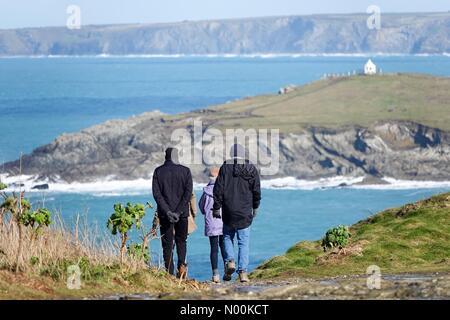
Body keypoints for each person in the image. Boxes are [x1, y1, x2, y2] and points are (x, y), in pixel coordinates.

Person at [213, 144, 261, 282]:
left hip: (228, 210)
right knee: (243, 242)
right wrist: (255, 206)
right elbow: (256, 190)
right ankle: (243, 273)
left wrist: (217, 207)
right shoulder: (251, 168)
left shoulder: (224, 168)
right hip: (245, 211)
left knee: (227, 237)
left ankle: (230, 262)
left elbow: (218, 189)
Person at [152, 147, 193, 278]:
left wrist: (168, 211)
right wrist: (179, 211)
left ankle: (169, 273)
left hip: (165, 215)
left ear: (166, 156)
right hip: (182, 214)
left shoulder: (158, 171)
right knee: (182, 241)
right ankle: (182, 268)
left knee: (167, 244)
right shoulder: (185, 171)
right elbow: (187, 194)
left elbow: (157, 195)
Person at [198, 167, 226, 283]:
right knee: (224, 246)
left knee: (213, 249)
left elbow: (201, 207)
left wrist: (207, 213)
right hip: (224, 221)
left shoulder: (206, 191)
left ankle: (215, 274)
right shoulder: (225, 189)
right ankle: (227, 268)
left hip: (211, 222)